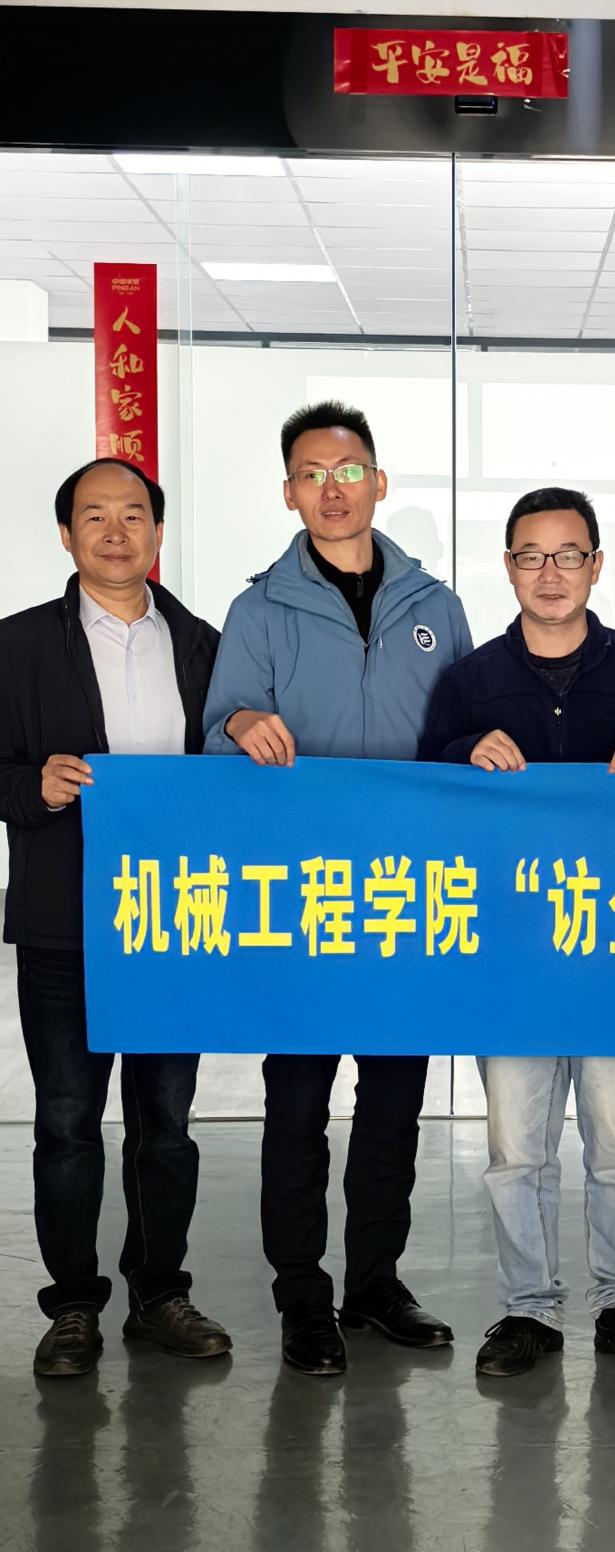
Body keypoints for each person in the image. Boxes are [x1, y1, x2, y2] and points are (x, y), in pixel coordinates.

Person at [202, 400, 473, 1376]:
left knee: (395, 1103)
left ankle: (374, 1284)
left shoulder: (436, 607)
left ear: (378, 482)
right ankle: (302, 1296)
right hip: (305, 898)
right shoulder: (259, 610)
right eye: (311, 474)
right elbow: (216, 731)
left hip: (409, 894)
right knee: (297, 1104)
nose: (331, 488)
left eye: (347, 469)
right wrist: (237, 724)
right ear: (289, 493)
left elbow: (462, 734)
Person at [421, 486, 615, 1379]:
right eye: (530, 555)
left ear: (596, 565)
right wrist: (462, 755)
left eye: (567, 554)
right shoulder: (469, 682)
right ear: (507, 567)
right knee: (514, 1150)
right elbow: (425, 792)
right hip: (510, 953)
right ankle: (527, 1309)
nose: (549, 573)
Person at [0, 457, 229, 1377]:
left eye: (133, 514)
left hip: (175, 919)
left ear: (158, 533)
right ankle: (72, 1308)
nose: (114, 531)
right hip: (65, 922)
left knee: (165, 1122)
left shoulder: (206, 646)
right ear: (66, 535)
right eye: (93, 516)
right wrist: (32, 785)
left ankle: (159, 1294)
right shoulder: (16, 646)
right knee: (67, 1120)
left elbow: (233, 773)